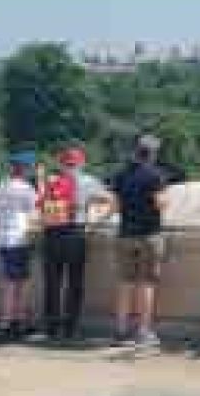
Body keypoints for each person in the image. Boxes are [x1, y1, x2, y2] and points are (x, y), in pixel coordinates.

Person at [110, 134, 181, 348]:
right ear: (153, 153)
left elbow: (115, 205)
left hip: (125, 234)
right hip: (149, 234)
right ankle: (143, 331)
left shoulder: (121, 174)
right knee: (146, 284)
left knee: (125, 283)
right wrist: (166, 199)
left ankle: (121, 330)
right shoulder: (155, 175)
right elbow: (160, 204)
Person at [39, 145, 112, 341]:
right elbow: (110, 200)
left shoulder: (52, 181)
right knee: (75, 282)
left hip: (52, 233)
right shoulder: (89, 181)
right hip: (75, 233)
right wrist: (95, 221)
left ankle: (51, 327)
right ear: (82, 162)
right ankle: (70, 327)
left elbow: (41, 206)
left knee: (52, 282)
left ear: (61, 163)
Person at [0, 152, 40, 340]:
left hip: (3, 239)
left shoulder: (2, 187)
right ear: (26, 169)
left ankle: (10, 323)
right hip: (19, 238)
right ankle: (11, 323)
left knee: (10, 283)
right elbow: (35, 213)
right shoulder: (27, 189)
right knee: (19, 284)